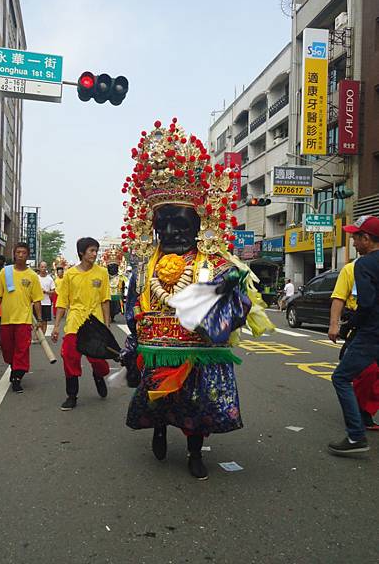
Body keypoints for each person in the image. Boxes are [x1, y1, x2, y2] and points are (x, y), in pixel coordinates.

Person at [120, 119, 272, 479]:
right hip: (158, 347)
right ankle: (158, 430)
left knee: (197, 407)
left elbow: (238, 305)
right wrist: (135, 341)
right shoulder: (144, 265)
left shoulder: (216, 263)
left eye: (181, 224)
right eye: (164, 225)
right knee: (158, 401)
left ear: (198, 223)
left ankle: (194, 453)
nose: (171, 232)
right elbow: (133, 306)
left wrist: (224, 301)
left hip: (197, 351)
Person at [328, 215, 379, 455]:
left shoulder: (364, 265)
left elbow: (366, 304)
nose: (354, 243)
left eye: (356, 238)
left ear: (366, 239)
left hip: (372, 333)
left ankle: (356, 436)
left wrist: (349, 326)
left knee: (341, 377)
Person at [51, 237, 111, 411]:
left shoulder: (102, 273)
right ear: (81, 253)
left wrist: (106, 325)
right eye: (91, 250)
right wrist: (56, 326)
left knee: (99, 361)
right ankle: (72, 395)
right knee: (69, 356)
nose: (94, 254)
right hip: (74, 322)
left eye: (96, 250)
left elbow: (105, 300)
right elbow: (62, 301)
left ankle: (98, 376)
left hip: (95, 323)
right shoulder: (70, 274)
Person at [0, 242, 43, 393]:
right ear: (14, 254)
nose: (21, 255)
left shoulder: (32, 276)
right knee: (7, 348)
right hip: (7, 318)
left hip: (24, 319)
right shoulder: (5, 272)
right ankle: (14, 366)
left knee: (21, 349)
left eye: (24, 253)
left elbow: (37, 300)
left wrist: (39, 319)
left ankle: (17, 377)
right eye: (18, 252)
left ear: (28, 255)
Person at [37, 261, 56, 335]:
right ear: (39, 268)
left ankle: (43, 337)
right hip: (37, 303)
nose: (43, 268)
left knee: (44, 321)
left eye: (45, 267)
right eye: (42, 267)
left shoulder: (50, 279)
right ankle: (37, 336)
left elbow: (53, 291)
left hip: (46, 303)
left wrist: (46, 292)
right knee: (38, 321)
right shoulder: (36, 278)